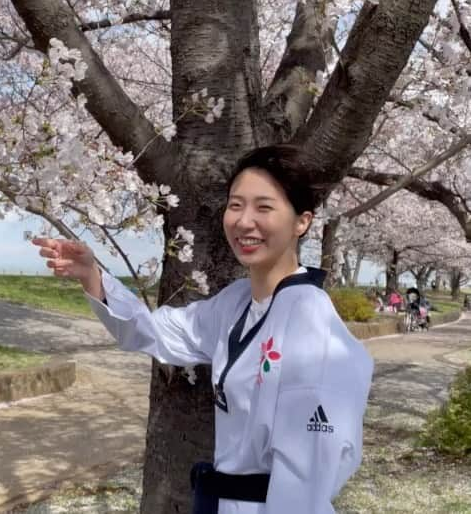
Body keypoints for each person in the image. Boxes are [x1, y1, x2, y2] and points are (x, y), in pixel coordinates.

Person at [33, 144, 374, 514]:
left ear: (301, 222)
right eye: (235, 205)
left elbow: (308, 474)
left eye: (264, 207)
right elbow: (156, 332)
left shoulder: (312, 325)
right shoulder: (237, 302)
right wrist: (92, 276)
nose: (244, 221)